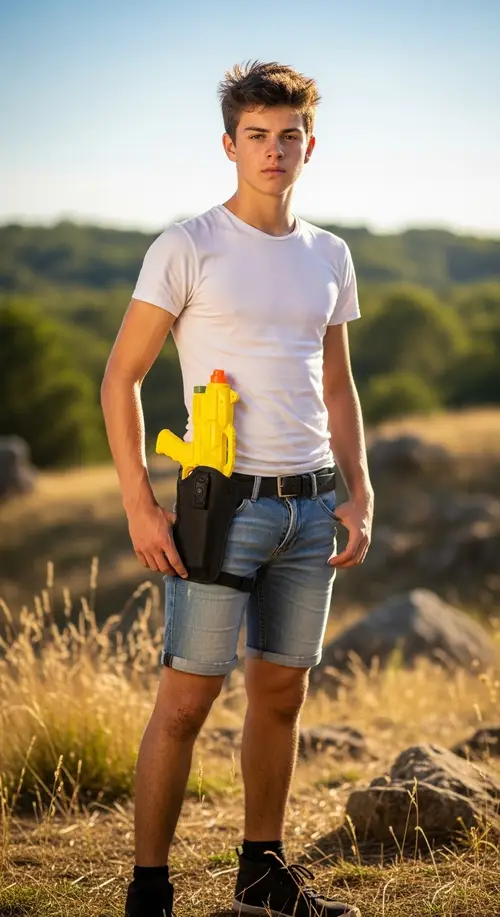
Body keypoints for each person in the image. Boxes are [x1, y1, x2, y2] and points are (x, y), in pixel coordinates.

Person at [101, 59, 374, 917]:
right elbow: (120, 378)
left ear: (309, 145)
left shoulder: (330, 253)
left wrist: (358, 489)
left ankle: (262, 872)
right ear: (230, 144)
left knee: (282, 694)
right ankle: (150, 890)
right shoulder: (187, 246)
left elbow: (337, 386)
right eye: (256, 135)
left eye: (288, 135)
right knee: (185, 701)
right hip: (222, 508)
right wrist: (142, 504)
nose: (273, 150)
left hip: (310, 505)